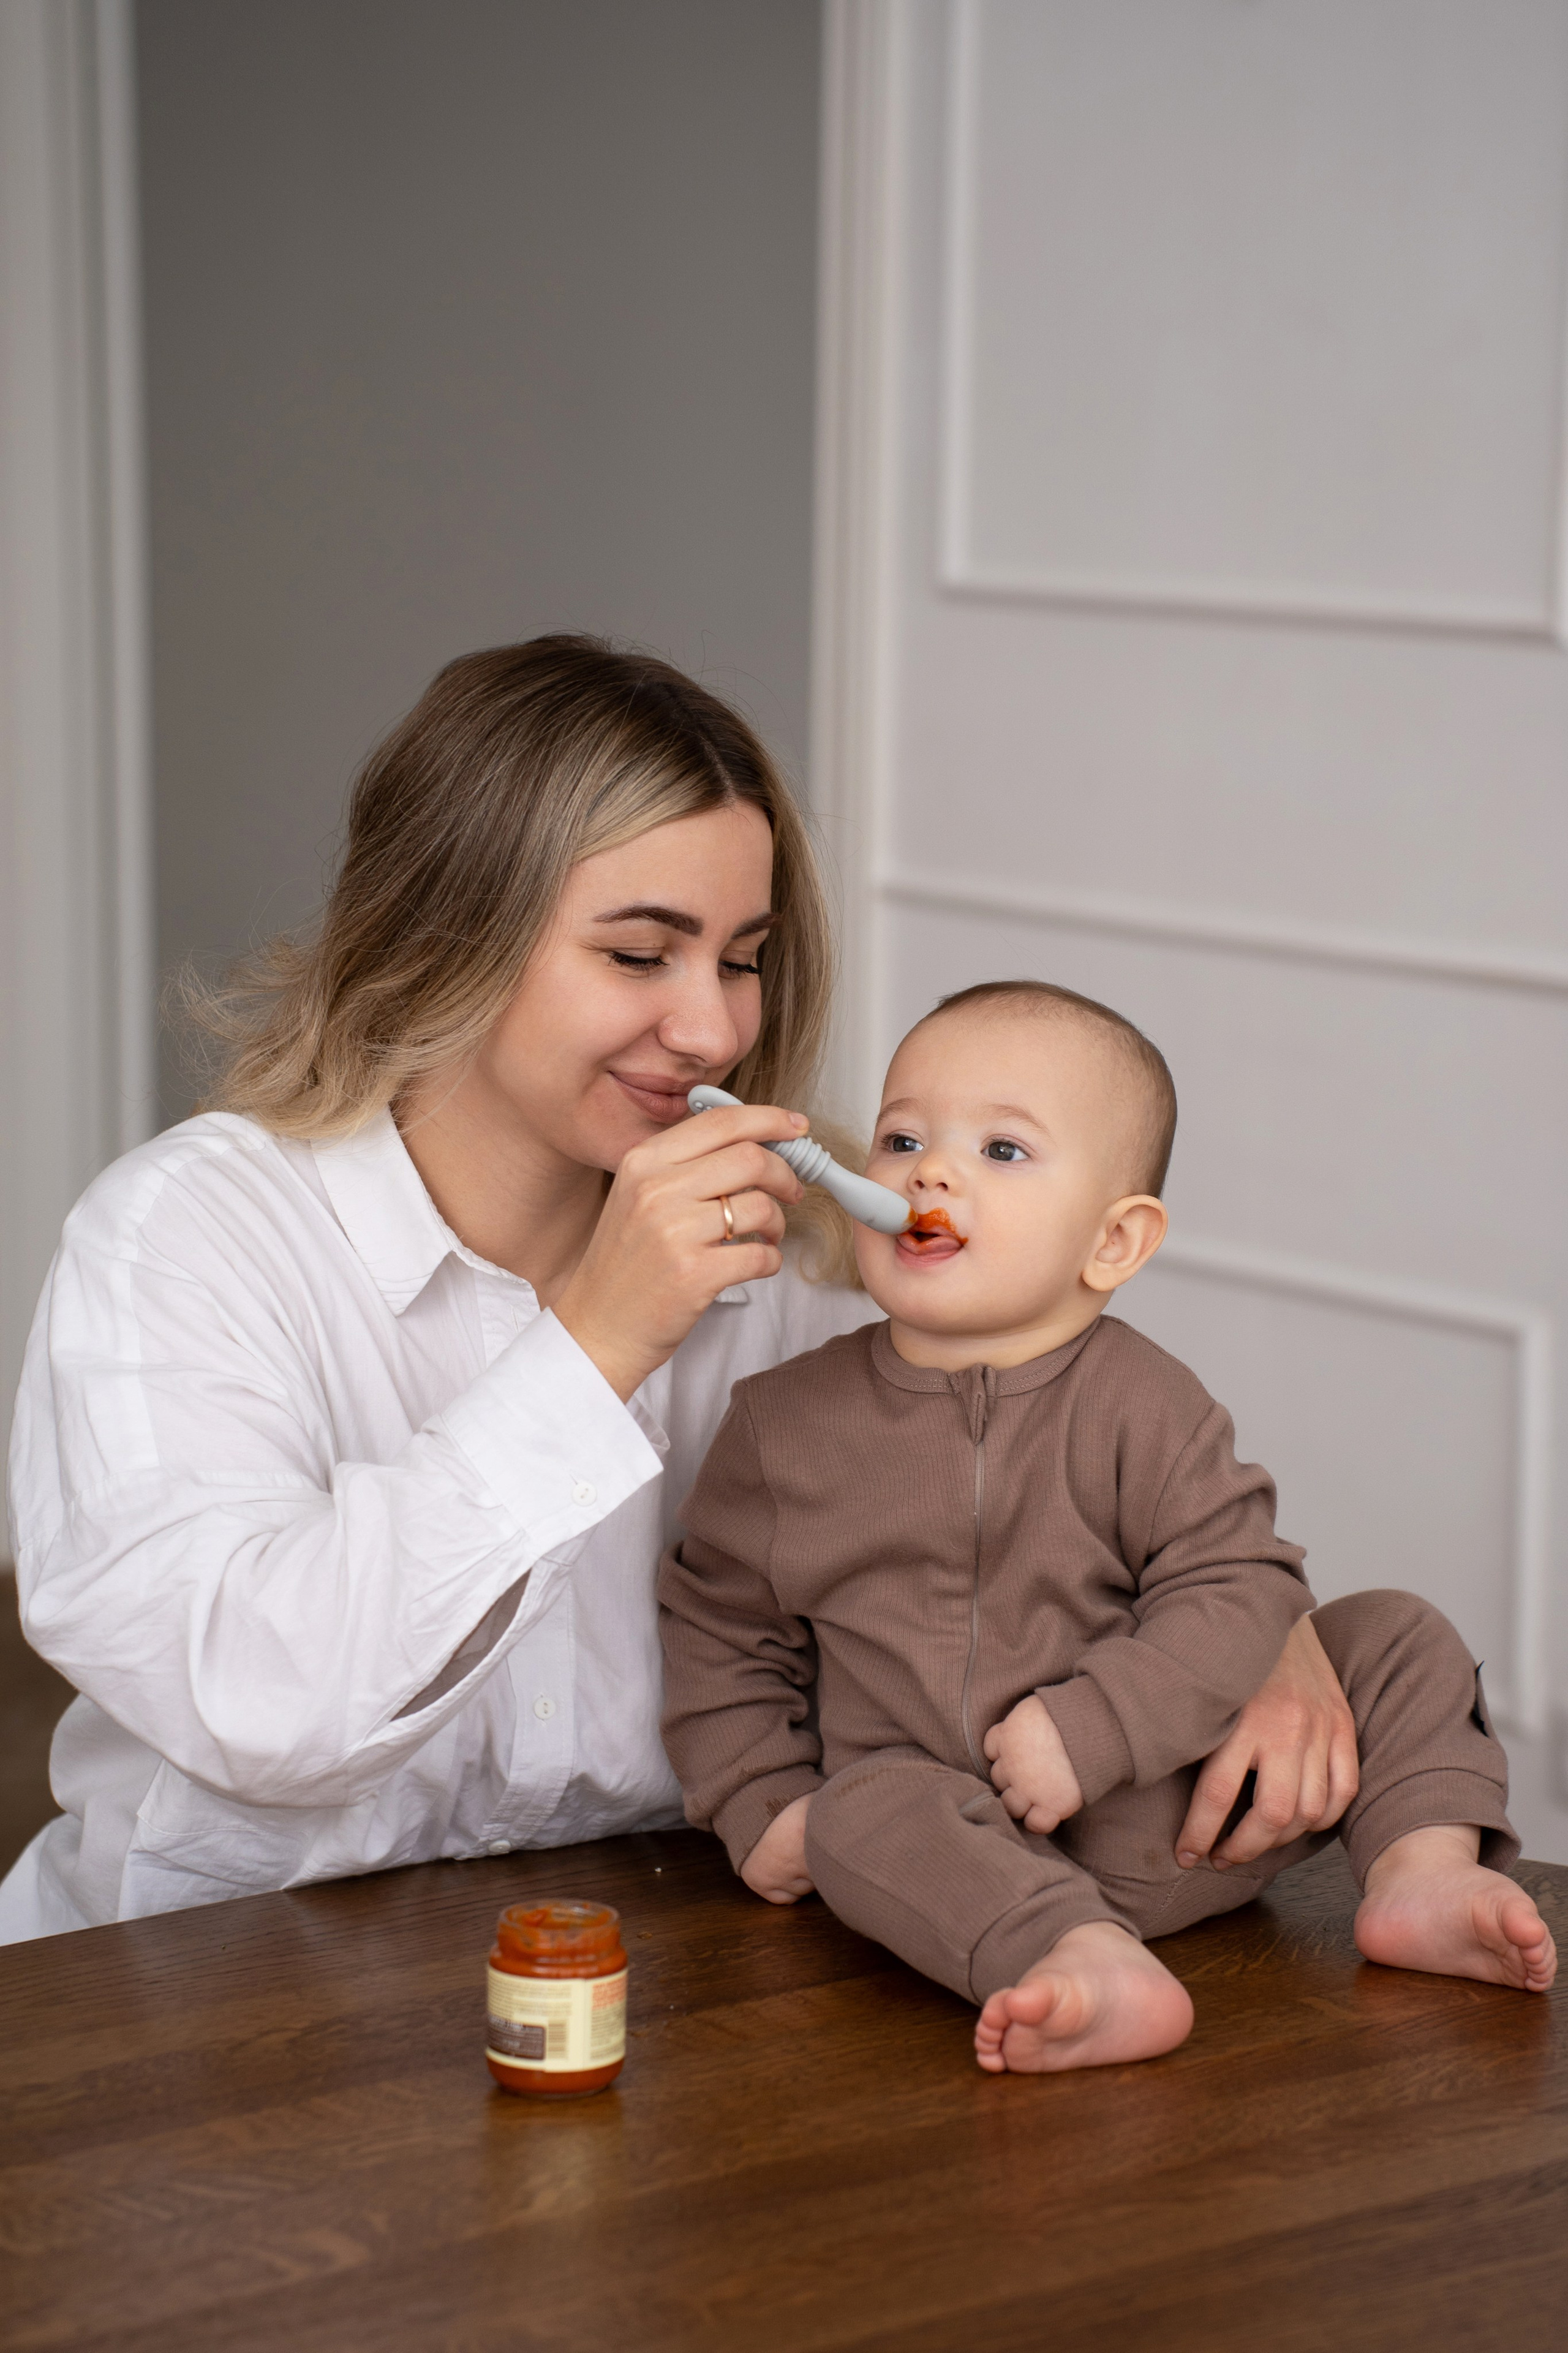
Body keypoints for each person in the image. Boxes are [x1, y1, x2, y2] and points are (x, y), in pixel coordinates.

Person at [2, 640, 1352, 1943]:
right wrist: (590, 1343)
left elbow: (1024, 1522)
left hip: (667, 1976)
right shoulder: (179, 1240)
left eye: (741, 956)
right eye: (639, 954)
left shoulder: (798, 1257)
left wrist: (1250, 1634)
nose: (712, 1029)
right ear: (445, 930)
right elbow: (262, 1705)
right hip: (201, 2000)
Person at [658, 980, 1557, 2074]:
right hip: (957, 1842)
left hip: (1184, 1813)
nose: (927, 1171)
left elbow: (1240, 1585)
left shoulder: (1146, 1402)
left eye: (1002, 1150)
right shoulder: (783, 1424)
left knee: (1398, 1632)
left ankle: (1422, 1876)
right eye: (902, 1137)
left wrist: (1094, 1730)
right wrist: (760, 1799)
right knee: (863, 1807)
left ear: (1114, 1242)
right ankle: (1079, 1957)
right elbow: (718, 1624)